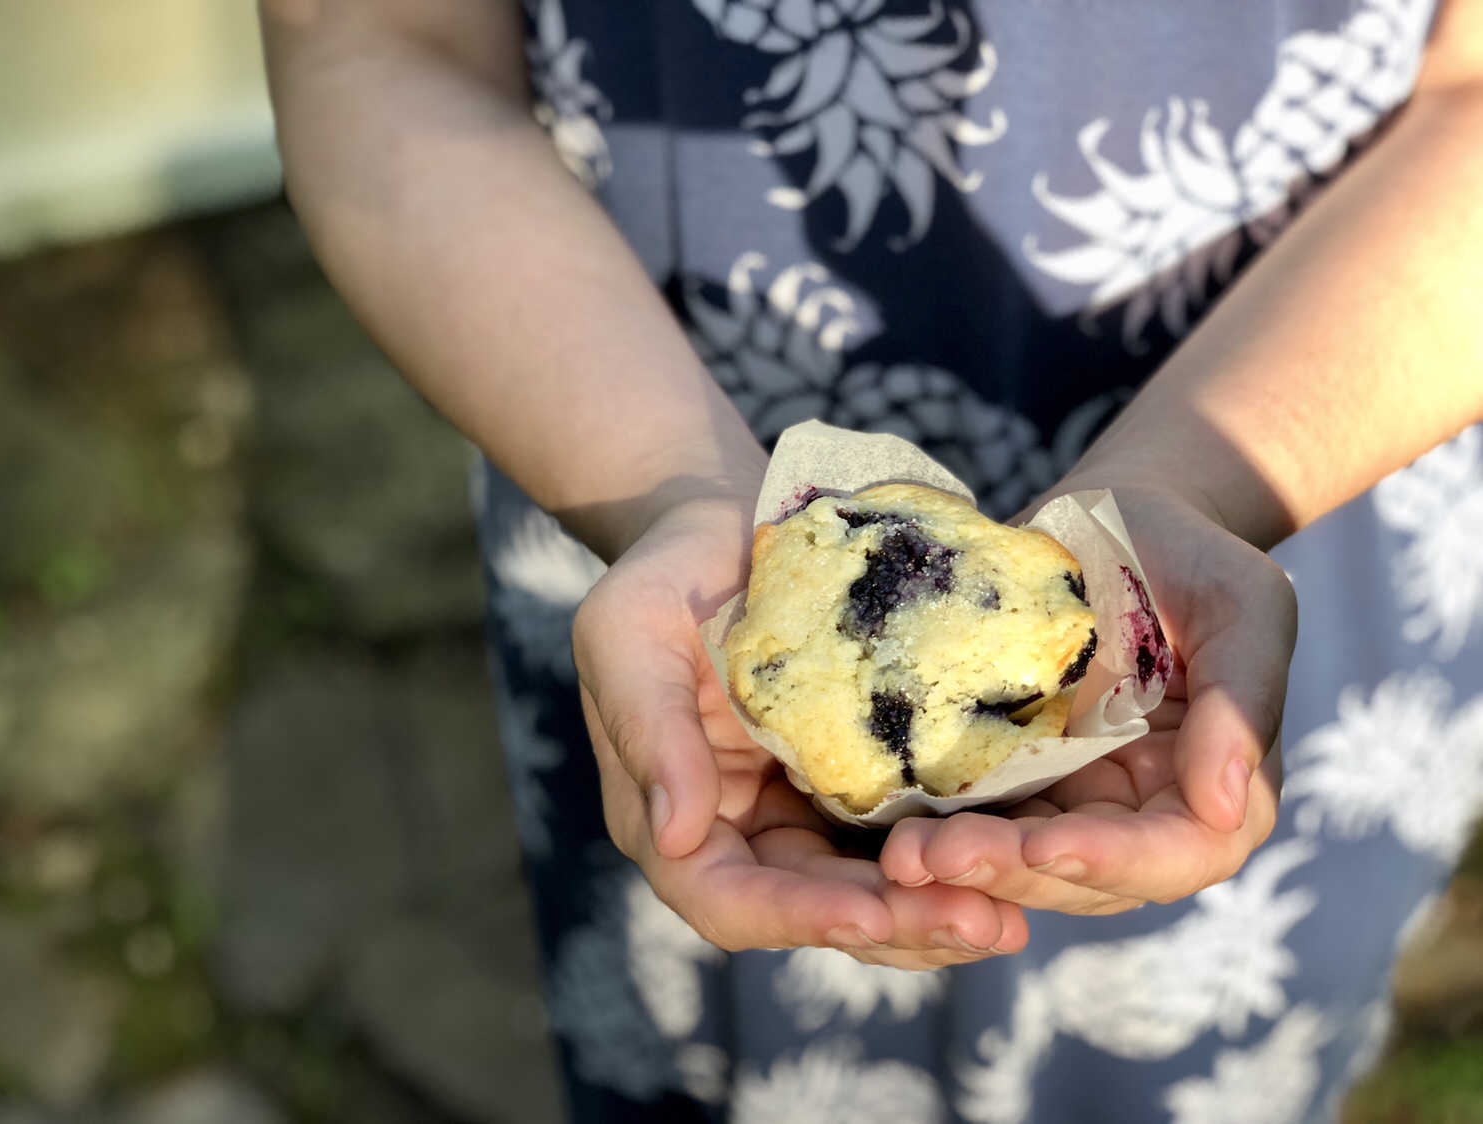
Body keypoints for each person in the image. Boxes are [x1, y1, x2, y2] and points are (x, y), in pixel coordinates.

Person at [259, 0, 1483, 1119]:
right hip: (638, 469)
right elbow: (376, 41)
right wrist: (674, 495)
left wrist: (1195, 483)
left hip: (1294, 460)